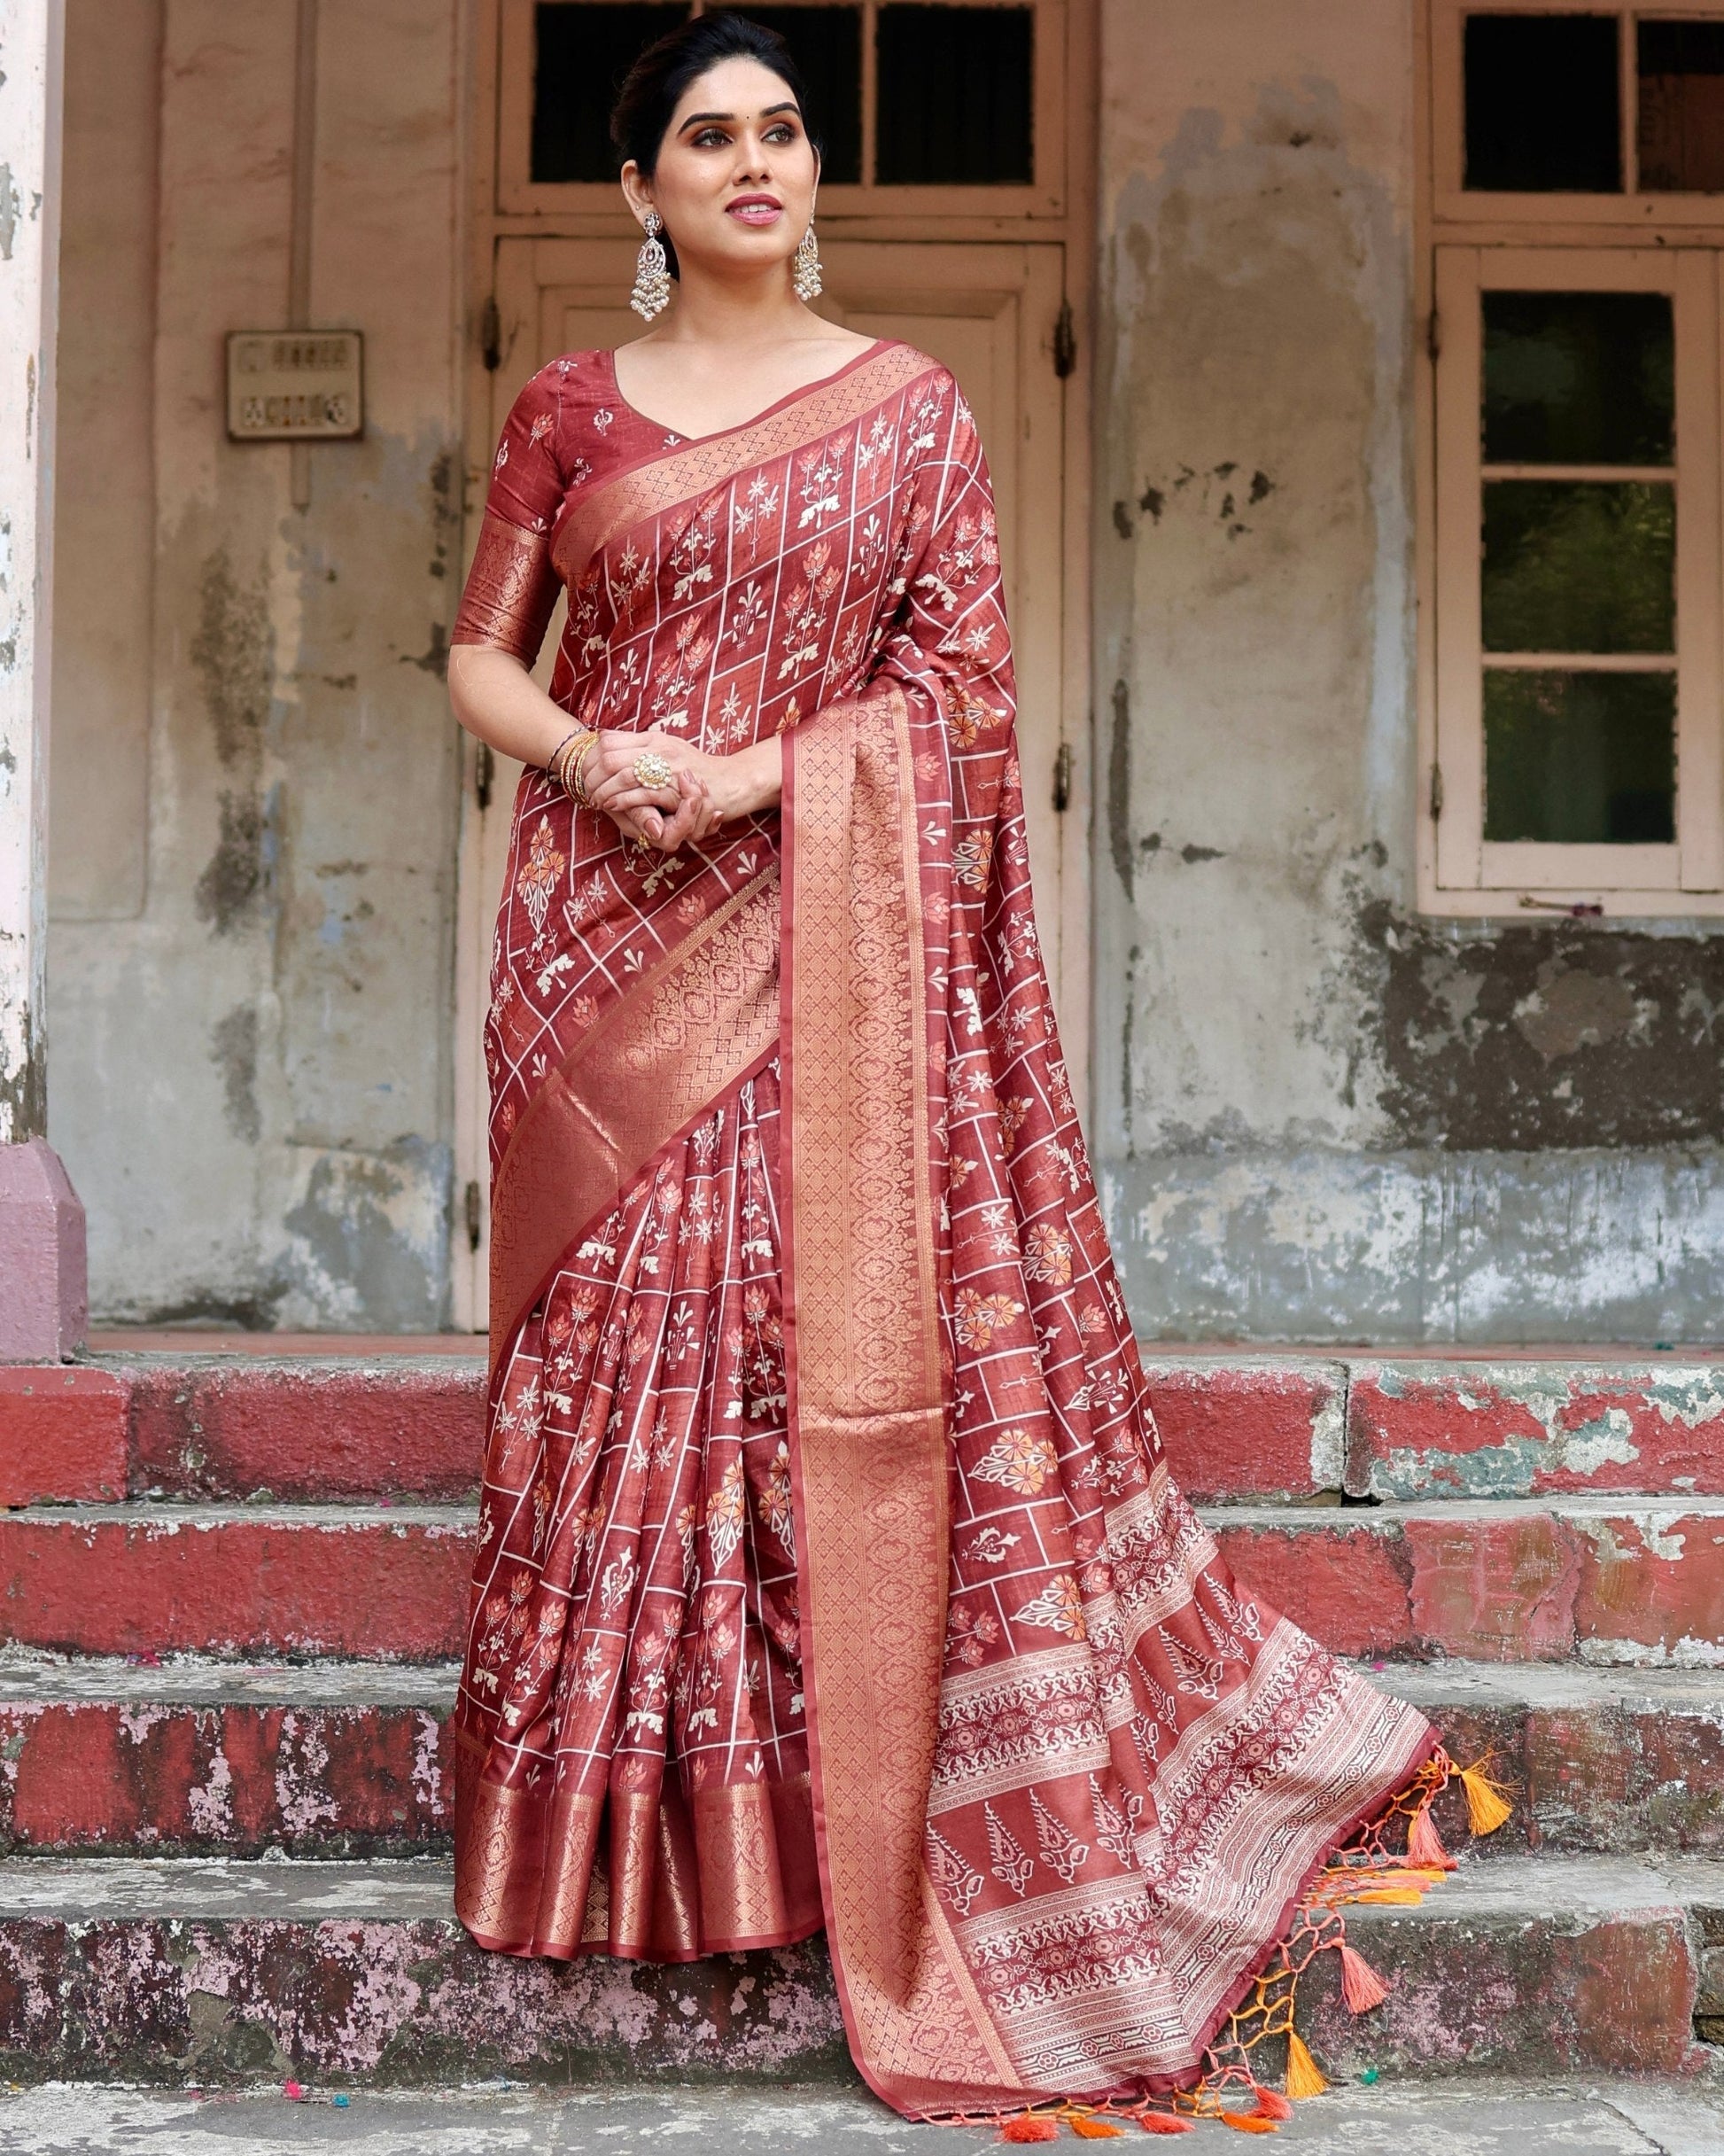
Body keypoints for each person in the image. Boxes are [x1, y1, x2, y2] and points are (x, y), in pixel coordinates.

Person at [446, 12, 1472, 2119]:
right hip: (593, 930)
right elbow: (481, 645)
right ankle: (616, 1846)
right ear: (637, 190)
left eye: (784, 129)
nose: (755, 161)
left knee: (779, 1350)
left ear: (815, 171)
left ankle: (818, 1825)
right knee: (617, 1352)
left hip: (804, 926)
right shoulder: (566, 403)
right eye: (707, 136)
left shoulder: (913, 413)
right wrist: (596, 756)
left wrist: (742, 774)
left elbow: (966, 707)